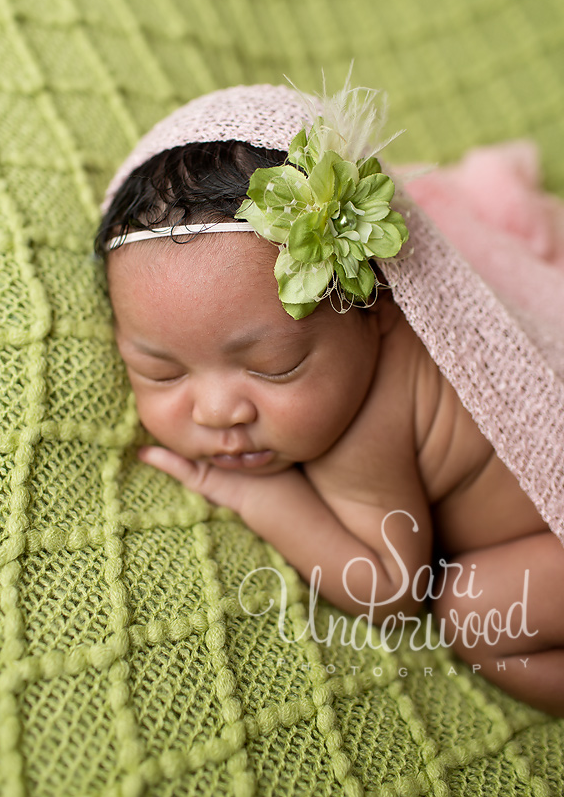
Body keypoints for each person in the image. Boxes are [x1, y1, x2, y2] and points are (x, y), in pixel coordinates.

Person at [95, 81, 564, 715]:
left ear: (382, 309)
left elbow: (393, 590)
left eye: (276, 367)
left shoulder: (366, 429)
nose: (215, 412)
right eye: (162, 373)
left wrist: (252, 492)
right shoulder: (334, 374)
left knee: (475, 612)